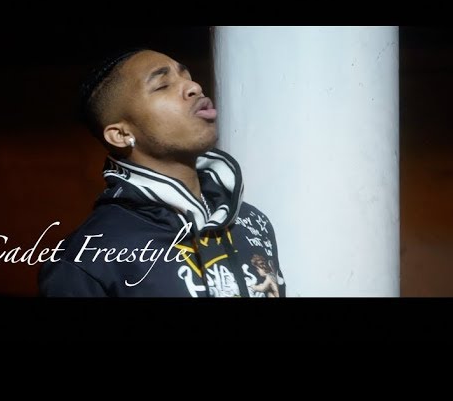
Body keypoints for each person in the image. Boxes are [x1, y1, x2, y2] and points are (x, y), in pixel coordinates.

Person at [39, 48, 285, 297]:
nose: (194, 87)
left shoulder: (251, 220)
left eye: (187, 76)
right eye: (162, 85)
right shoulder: (86, 259)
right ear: (121, 134)